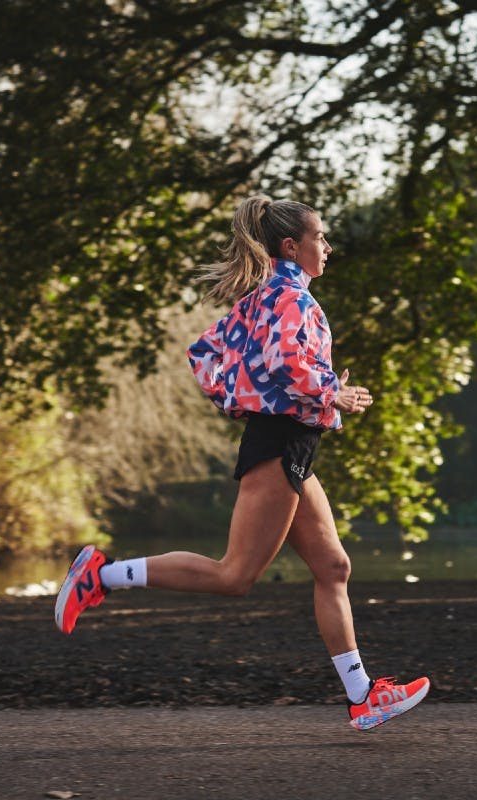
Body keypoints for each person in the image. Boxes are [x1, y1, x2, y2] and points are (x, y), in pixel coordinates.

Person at [54, 195, 429, 731]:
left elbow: (205, 356)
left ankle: (363, 696)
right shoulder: (290, 298)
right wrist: (327, 393)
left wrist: (250, 397)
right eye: (320, 238)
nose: (328, 246)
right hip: (279, 445)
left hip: (291, 445)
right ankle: (101, 575)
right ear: (291, 246)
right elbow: (287, 362)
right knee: (234, 576)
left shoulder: (264, 298)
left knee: (334, 568)